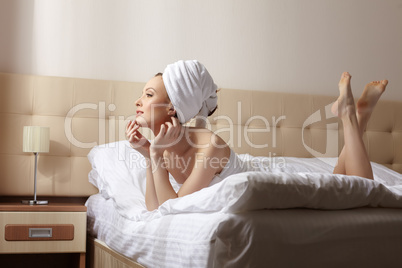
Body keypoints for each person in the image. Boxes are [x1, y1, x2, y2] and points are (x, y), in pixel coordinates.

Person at [126, 60, 388, 211]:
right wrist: (149, 153)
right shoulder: (163, 147)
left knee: (359, 192)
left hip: (274, 181)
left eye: (148, 95)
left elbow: (173, 209)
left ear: (174, 107)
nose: (138, 101)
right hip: (262, 179)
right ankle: (357, 118)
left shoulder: (210, 146)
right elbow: (155, 209)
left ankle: (353, 118)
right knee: (339, 183)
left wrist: (156, 154)